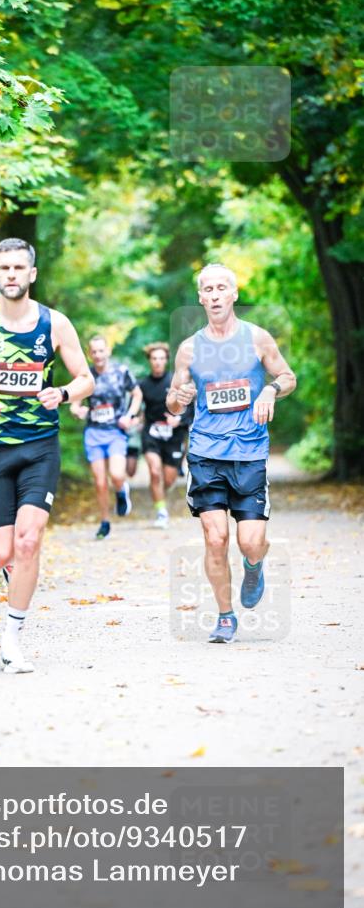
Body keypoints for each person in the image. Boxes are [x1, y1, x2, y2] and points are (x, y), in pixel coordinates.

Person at [0, 237, 94, 674]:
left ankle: (11, 637)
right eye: (3, 268)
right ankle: (16, 576)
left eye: (18, 268)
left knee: (29, 540)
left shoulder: (55, 324)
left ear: (31, 274)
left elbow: (85, 379)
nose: (10, 275)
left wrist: (62, 393)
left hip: (40, 447)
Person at [167, 263, 296, 644]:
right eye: (208, 289)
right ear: (201, 297)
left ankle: (254, 566)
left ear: (234, 294)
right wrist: (180, 398)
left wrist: (270, 391)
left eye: (222, 287)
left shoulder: (258, 339)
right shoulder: (189, 349)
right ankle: (225, 616)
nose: (215, 294)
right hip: (206, 452)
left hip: (250, 451)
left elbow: (287, 377)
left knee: (250, 541)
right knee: (215, 537)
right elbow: (173, 403)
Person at [70, 336, 141, 539]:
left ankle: (121, 490)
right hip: (94, 433)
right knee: (100, 482)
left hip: (115, 431)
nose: (98, 355)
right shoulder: (86, 376)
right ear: (89, 354)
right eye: (94, 352)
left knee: (117, 474)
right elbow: (75, 401)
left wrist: (129, 415)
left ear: (108, 351)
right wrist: (78, 410)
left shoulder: (121, 372)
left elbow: (137, 394)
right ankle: (104, 522)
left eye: (102, 351)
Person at [138, 342, 193, 529]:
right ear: (149, 361)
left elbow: (190, 408)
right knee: (154, 472)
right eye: (154, 359)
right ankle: (161, 512)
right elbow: (138, 408)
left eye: (161, 358)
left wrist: (179, 420)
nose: (158, 362)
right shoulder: (143, 385)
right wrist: (135, 419)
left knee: (168, 479)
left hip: (174, 436)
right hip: (152, 433)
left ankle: (161, 490)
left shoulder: (175, 382)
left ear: (167, 360)